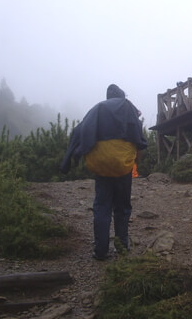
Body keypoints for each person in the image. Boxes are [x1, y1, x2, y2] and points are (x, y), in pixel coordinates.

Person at [60, 84, 147, 260]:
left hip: (101, 165)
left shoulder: (97, 108)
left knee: (102, 206)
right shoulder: (128, 107)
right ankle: (122, 246)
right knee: (122, 207)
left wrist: (70, 158)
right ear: (122, 95)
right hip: (122, 165)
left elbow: (79, 131)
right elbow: (138, 137)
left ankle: (100, 250)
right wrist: (136, 160)